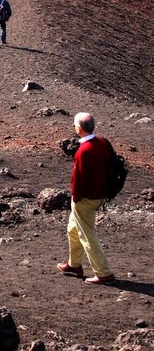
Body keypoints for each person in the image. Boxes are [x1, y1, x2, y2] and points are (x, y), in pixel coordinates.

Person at [57, 113, 115, 284]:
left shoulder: (84, 151)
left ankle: (104, 273)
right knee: (73, 229)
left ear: (79, 129)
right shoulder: (102, 143)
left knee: (87, 236)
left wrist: (75, 198)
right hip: (99, 195)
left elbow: (79, 178)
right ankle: (74, 264)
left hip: (86, 199)